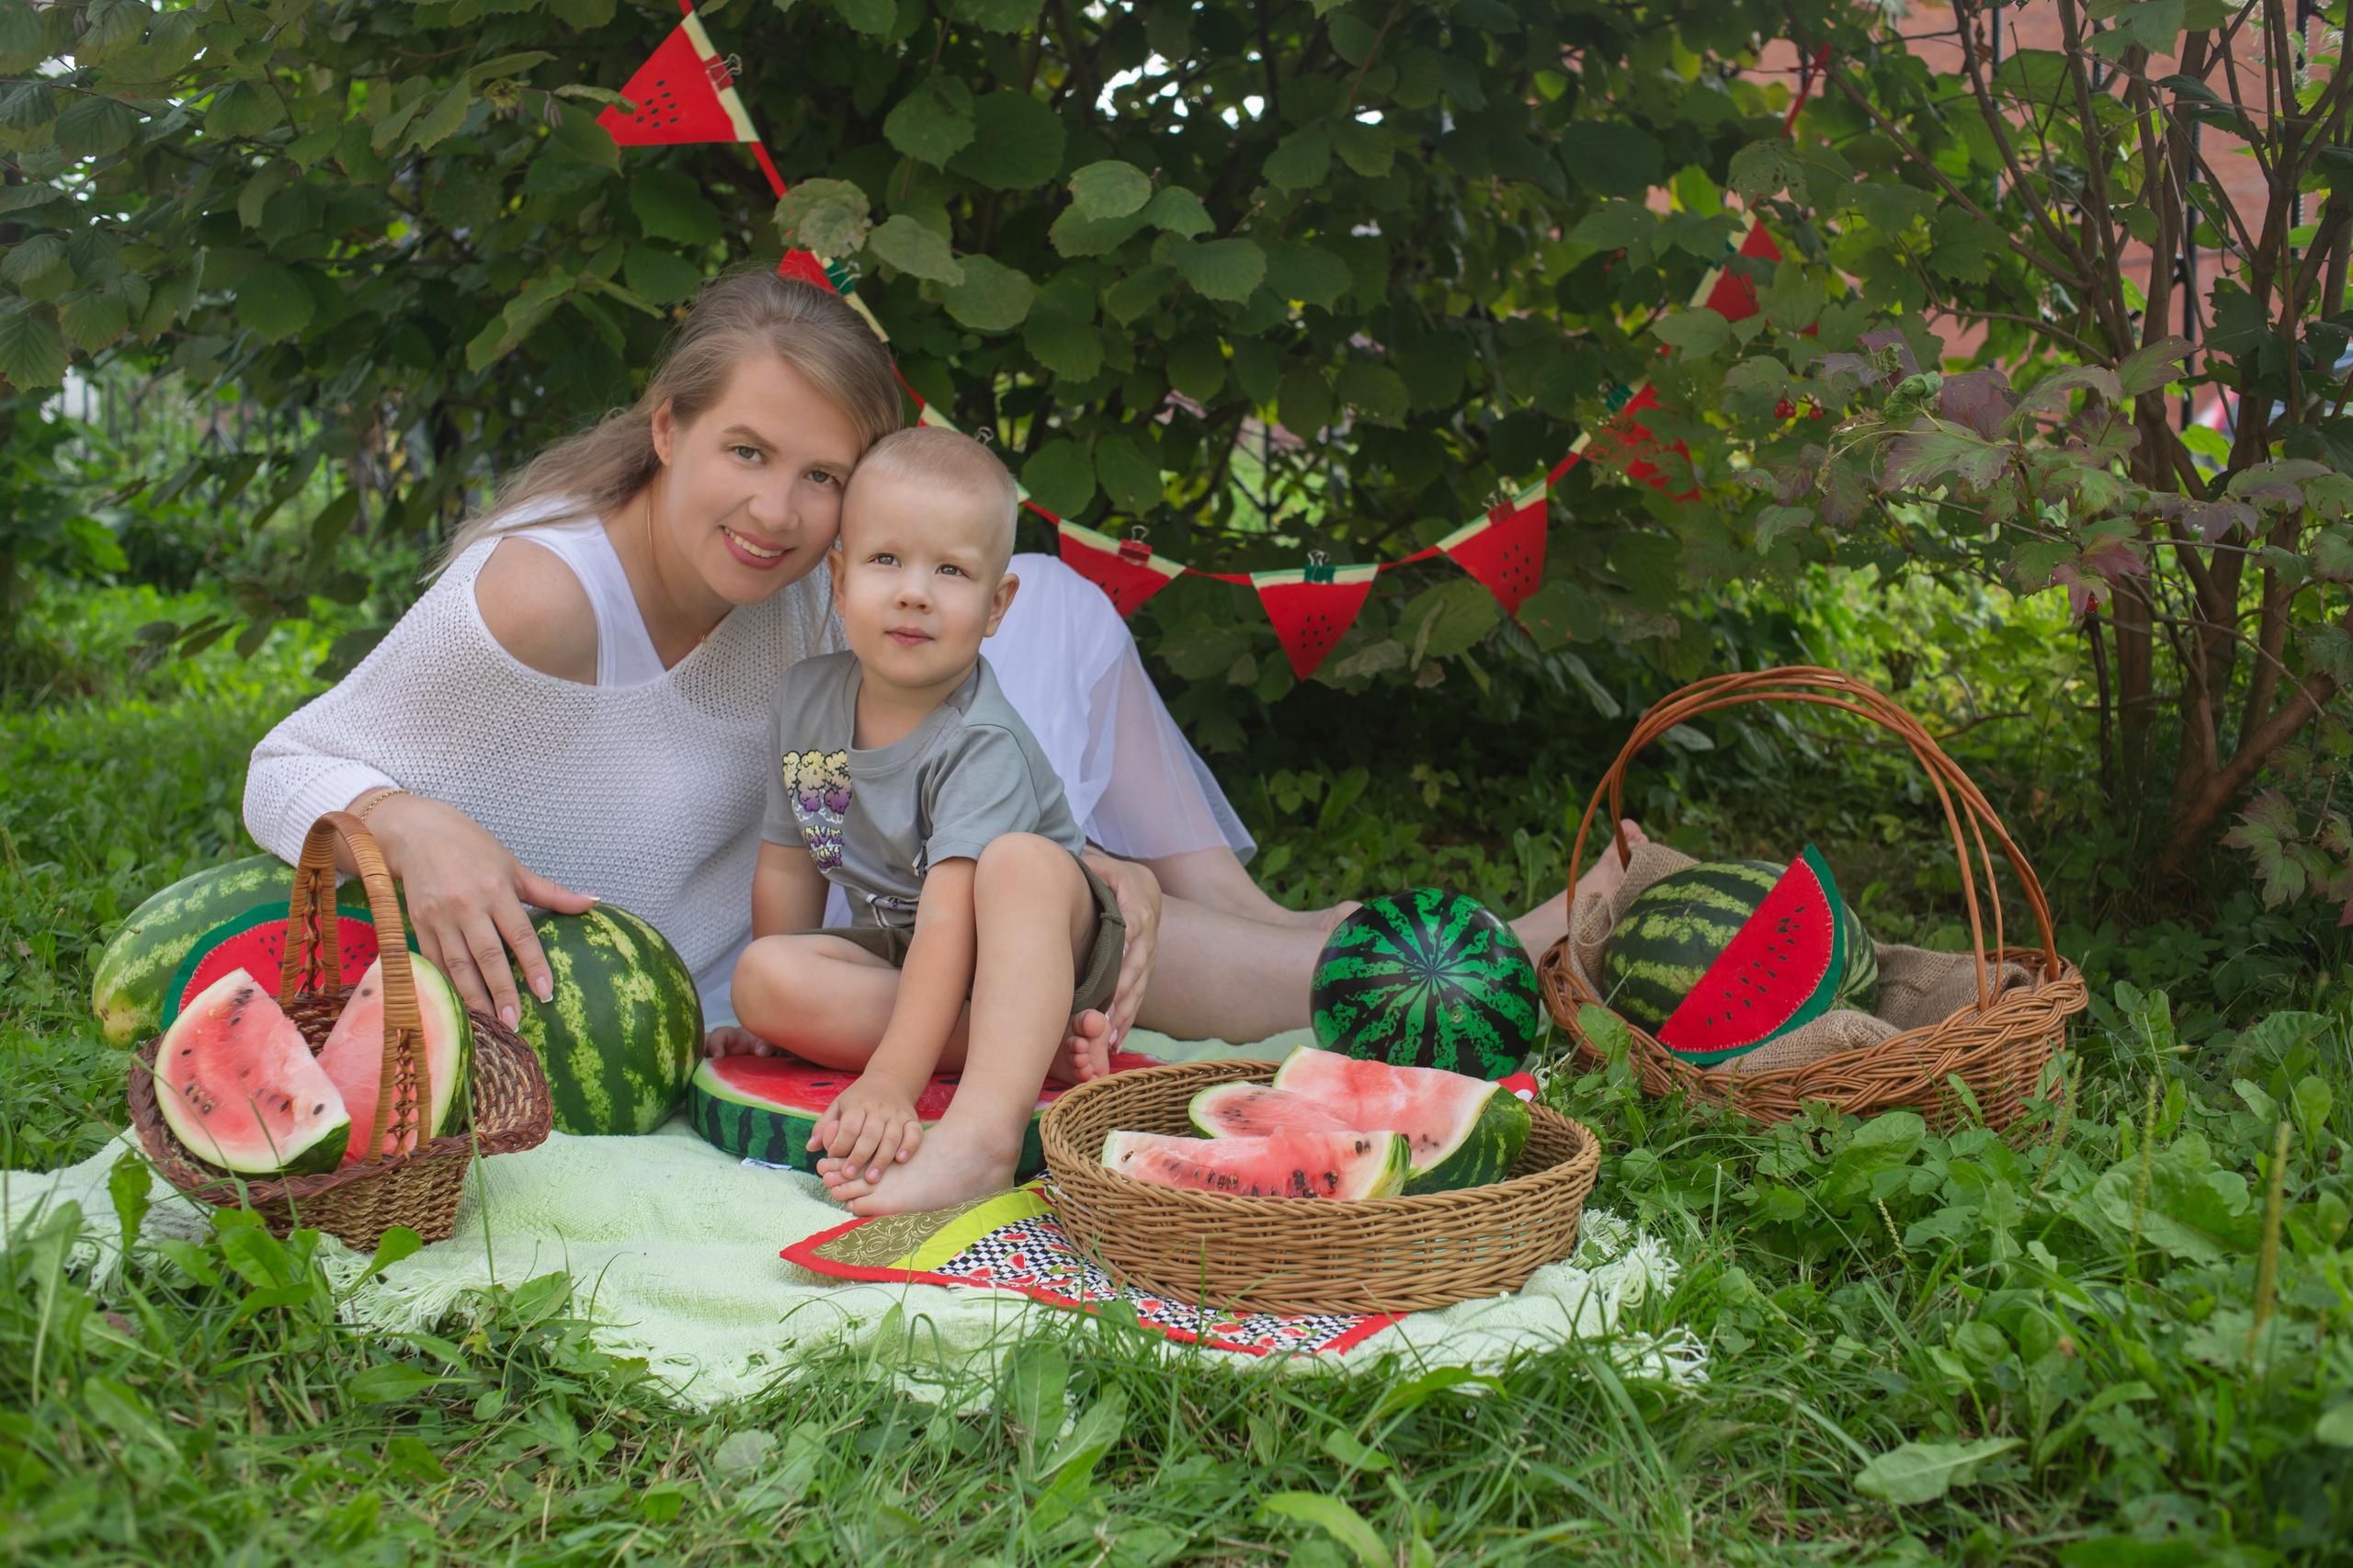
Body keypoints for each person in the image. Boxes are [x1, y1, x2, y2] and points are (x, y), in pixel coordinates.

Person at [242, 268, 1637, 1069]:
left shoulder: (801, 594)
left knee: (1144, 931)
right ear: (666, 428)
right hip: (742, 999)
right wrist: (409, 817)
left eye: (822, 479)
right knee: (1129, 963)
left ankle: (1550, 938)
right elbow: (287, 763)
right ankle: (1551, 936)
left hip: (802, 947)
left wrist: (1077, 861)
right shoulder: (542, 593)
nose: (778, 513)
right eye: (745, 453)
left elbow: (904, 771)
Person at [734, 427, 1120, 1212]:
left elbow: (952, 925)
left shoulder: (980, 739)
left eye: (950, 570)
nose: (914, 592)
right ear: (838, 582)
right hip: (912, 949)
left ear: (996, 606)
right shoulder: (809, 702)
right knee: (763, 975)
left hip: (1038, 940)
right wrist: (775, 1032)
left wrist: (889, 1080)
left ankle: (984, 1136)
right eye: (886, 560)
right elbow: (790, 859)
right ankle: (1027, 1044)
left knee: (1014, 861)